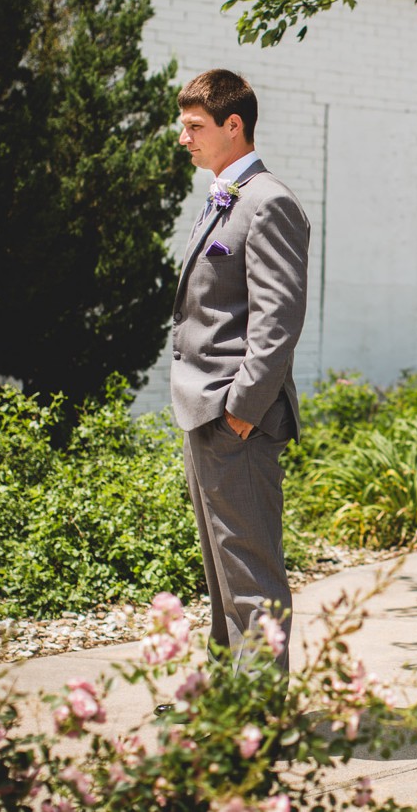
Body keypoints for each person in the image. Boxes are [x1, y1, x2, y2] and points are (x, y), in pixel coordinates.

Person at [169, 69, 309, 671]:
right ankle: (228, 700)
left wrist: (240, 414)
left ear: (235, 126)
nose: (183, 138)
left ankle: (259, 720)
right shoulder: (222, 195)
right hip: (204, 411)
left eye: (195, 126)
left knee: (251, 575)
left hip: (234, 418)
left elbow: (277, 321)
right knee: (223, 572)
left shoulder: (268, 200)